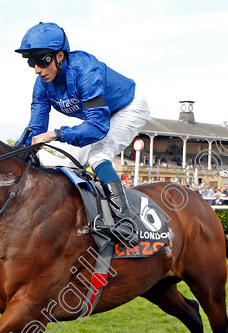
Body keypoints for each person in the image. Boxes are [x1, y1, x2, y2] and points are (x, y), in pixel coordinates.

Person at [15, 22, 149, 246]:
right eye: (32, 62)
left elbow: (96, 127)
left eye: (42, 60)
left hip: (128, 107)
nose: (37, 69)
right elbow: (35, 129)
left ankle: (125, 222)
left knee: (98, 156)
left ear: (60, 56)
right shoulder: (42, 84)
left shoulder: (87, 71)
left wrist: (56, 134)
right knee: (67, 160)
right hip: (101, 117)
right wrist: (15, 153)